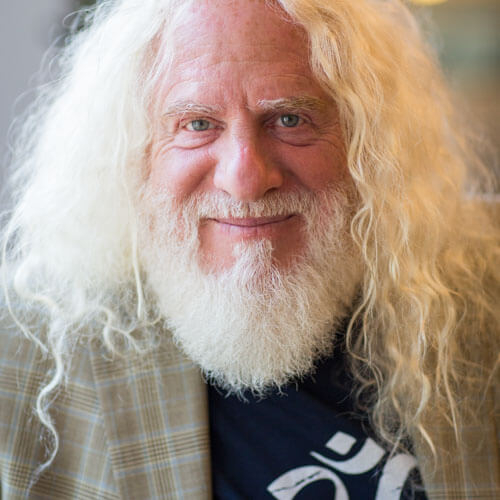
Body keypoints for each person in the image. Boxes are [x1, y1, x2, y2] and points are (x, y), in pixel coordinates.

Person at [0, 0, 498, 498]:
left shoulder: (486, 285)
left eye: (290, 119)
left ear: (371, 138)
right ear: (134, 151)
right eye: (198, 124)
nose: (245, 179)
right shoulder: (22, 357)